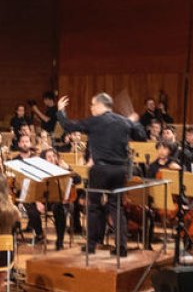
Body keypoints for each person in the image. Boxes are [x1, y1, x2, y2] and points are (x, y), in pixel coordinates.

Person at [55, 93, 147, 256]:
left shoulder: (95, 121)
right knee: (116, 208)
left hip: (100, 169)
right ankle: (121, 248)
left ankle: (91, 245)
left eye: (92, 105)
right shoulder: (123, 121)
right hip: (120, 170)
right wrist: (134, 122)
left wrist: (61, 111)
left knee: (94, 207)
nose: (91, 108)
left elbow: (69, 126)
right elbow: (142, 136)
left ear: (100, 105)